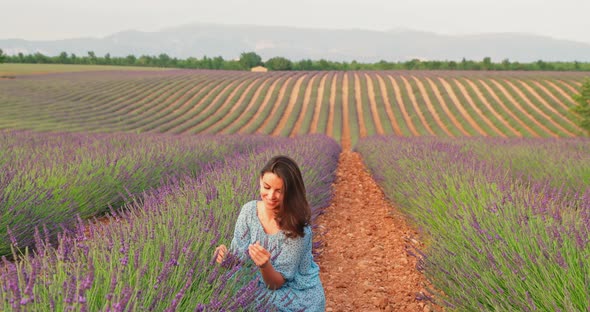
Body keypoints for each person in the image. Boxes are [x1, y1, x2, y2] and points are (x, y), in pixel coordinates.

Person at [214, 155, 325, 311]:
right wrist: (225, 257)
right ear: (260, 181)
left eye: (279, 191)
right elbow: (238, 260)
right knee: (227, 288)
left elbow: (276, 283)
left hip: (295, 294)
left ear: (291, 193)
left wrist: (265, 265)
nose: (271, 196)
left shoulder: (298, 229)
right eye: (266, 187)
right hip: (256, 282)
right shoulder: (249, 212)